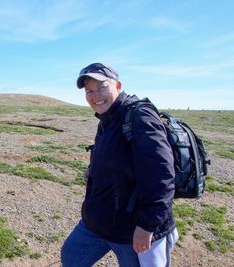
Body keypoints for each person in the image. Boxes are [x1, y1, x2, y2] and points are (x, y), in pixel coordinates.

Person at [61, 63, 178, 267]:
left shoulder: (139, 117)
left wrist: (147, 226)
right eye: (89, 91)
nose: (95, 95)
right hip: (99, 220)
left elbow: (162, 175)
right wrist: (94, 171)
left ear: (118, 85)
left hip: (133, 229)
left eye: (102, 87)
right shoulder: (107, 119)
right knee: (72, 256)